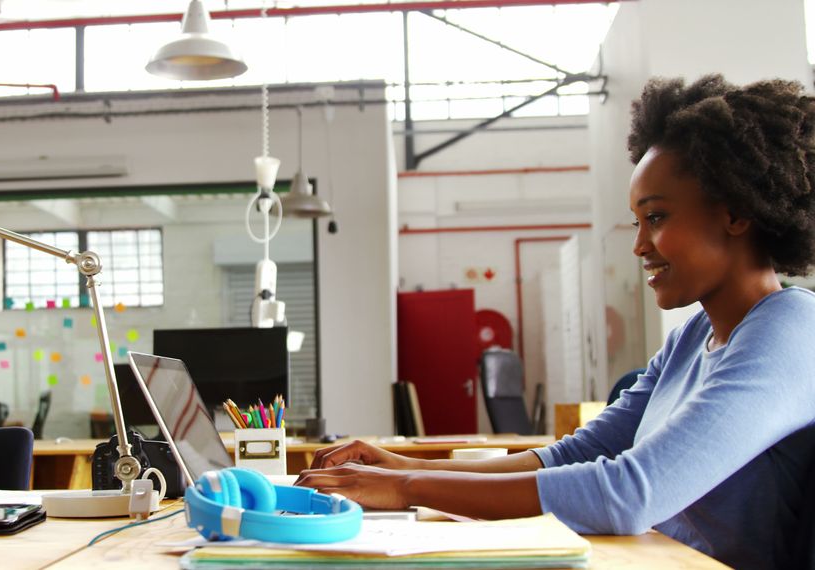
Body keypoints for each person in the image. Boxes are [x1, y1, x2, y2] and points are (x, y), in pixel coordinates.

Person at [295, 75, 815, 569]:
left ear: (736, 214)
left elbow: (630, 493)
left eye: (655, 217)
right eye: (637, 222)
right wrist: (406, 467)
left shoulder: (792, 331)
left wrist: (407, 489)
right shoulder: (691, 338)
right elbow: (577, 453)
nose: (639, 245)